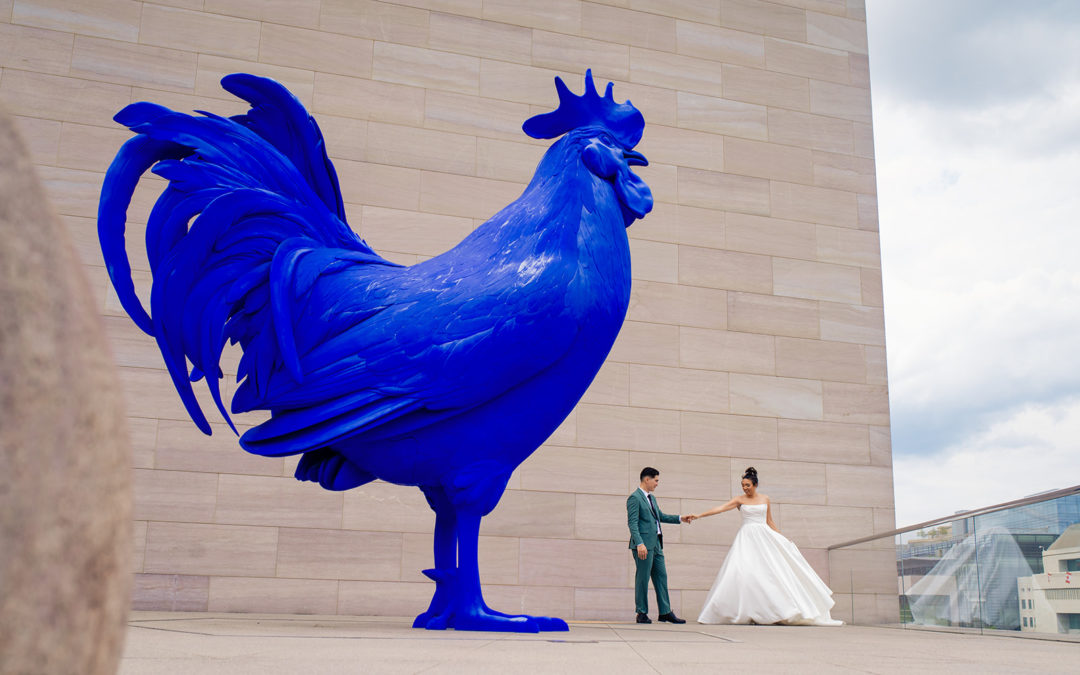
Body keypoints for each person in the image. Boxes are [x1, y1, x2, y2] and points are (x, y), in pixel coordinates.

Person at [688, 467, 842, 626]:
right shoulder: (739, 500)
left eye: (747, 485)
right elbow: (720, 509)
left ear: (755, 485)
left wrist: (782, 539)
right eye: (743, 485)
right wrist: (699, 515)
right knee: (743, 571)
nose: (745, 488)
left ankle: (774, 611)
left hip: (764, 537)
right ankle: (747, 611)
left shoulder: (765, 499)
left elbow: (769, 521)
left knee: (771, 572)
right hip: (747, 538)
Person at [627, 467, 691, 624]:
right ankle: (641, 612)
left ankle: (665, 612)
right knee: (642, 578)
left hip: (656, 544)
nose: (657, 484)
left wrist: (680, 518)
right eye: (656, 480)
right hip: (643, 545)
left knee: (661, 576)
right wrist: (639, 543)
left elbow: (660, 516)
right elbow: (632, 523)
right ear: (646, 479)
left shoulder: (652, 498)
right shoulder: (634, 498)